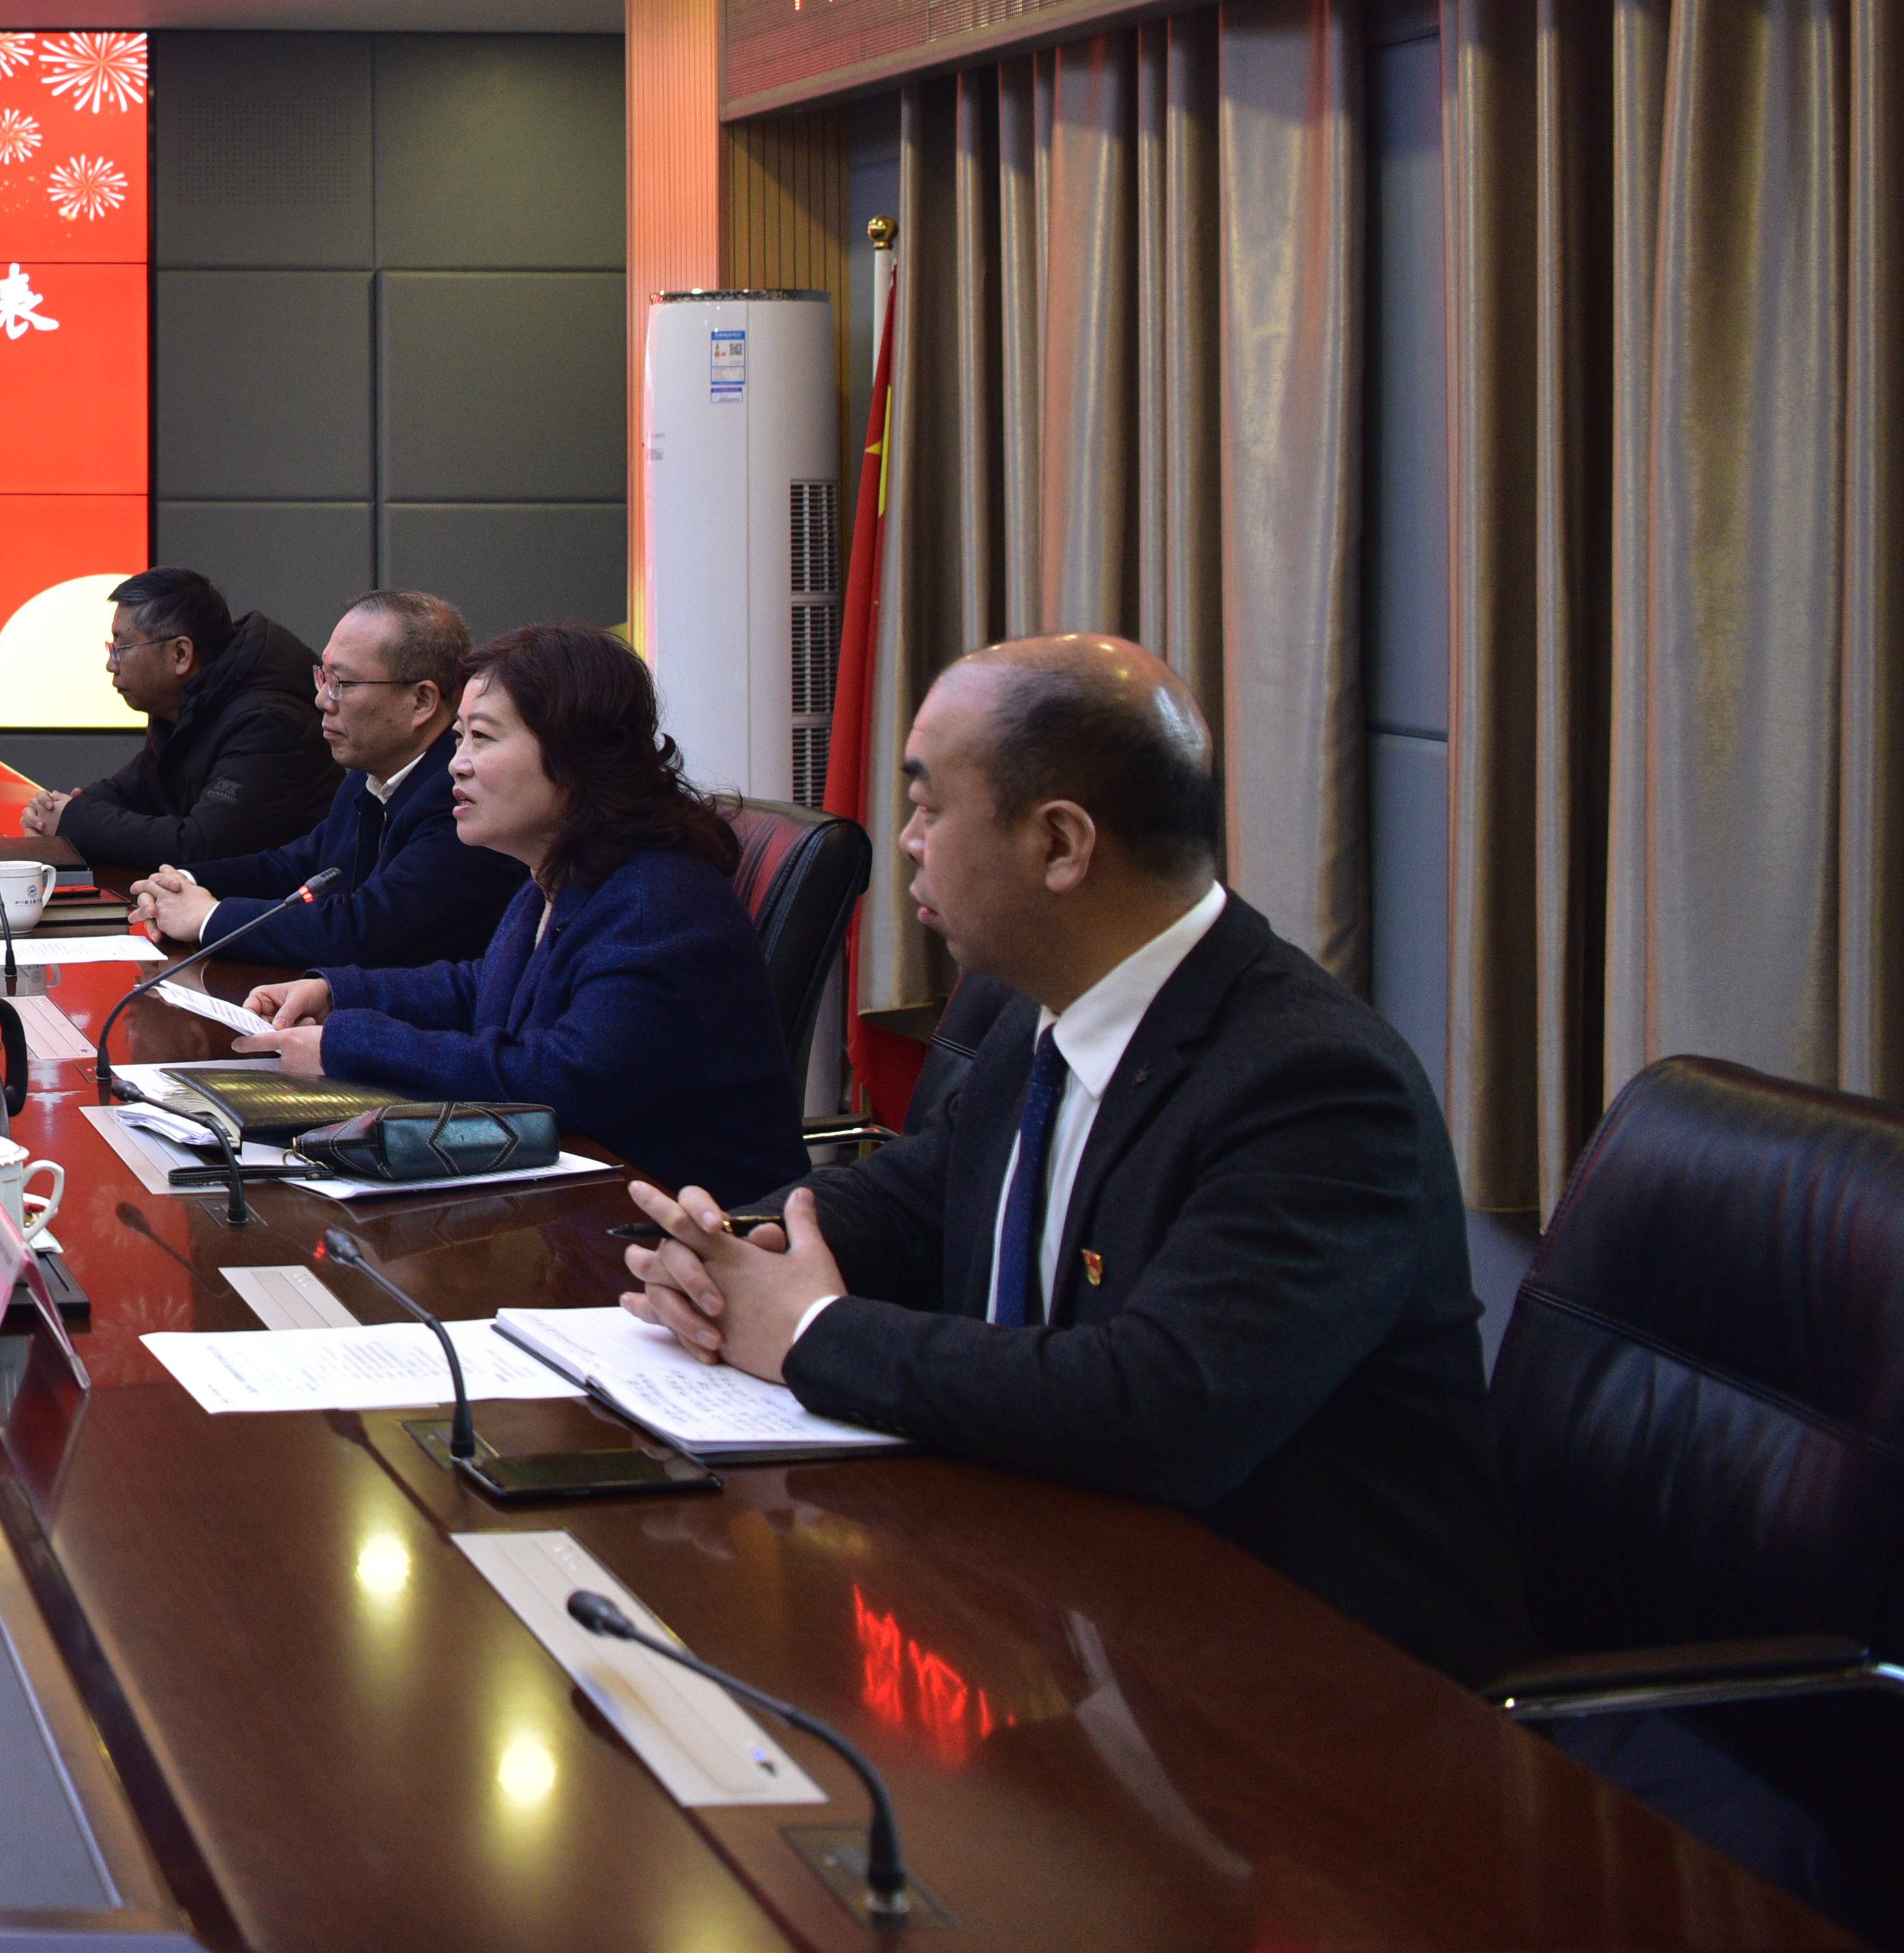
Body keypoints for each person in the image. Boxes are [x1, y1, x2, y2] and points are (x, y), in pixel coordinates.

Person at [613, 635, 1526, 1683]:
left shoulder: (1312, 1084)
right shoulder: (1039, 1013)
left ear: (1059, 843)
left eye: (929, 807)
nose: (907, 841)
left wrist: (811, 1332)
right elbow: (912, 1199)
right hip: (1058, 1611)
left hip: (1311, 1680)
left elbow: (1160, 1408)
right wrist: (729, 1253)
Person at [231, 623, 803, 1201]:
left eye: (482, 737)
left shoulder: (657, 902)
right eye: (459, 738)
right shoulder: (565, 868)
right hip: (577, 1201)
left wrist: (350, 1044)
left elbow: (563, 1078)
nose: (457, 765)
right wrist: (339, 994)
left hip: (695, 1226)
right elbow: (487, 987)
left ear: (575, 754)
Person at [126, 590, 524, 974]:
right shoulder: (368, 777)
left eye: (342, 684)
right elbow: (296, 867)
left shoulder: (461, 797)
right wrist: (183, 883)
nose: (322, 700)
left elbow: (367, 932)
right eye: (323, 677)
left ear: (421, 701)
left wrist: (208, 918)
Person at [14, 570, 327, 874]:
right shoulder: (192, 701)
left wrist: (76, 822)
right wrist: (57, 811)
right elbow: (138, 790)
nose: (111, 665)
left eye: (121, 648)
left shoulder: (266, 722)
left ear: (180, 654)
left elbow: (202, 848)